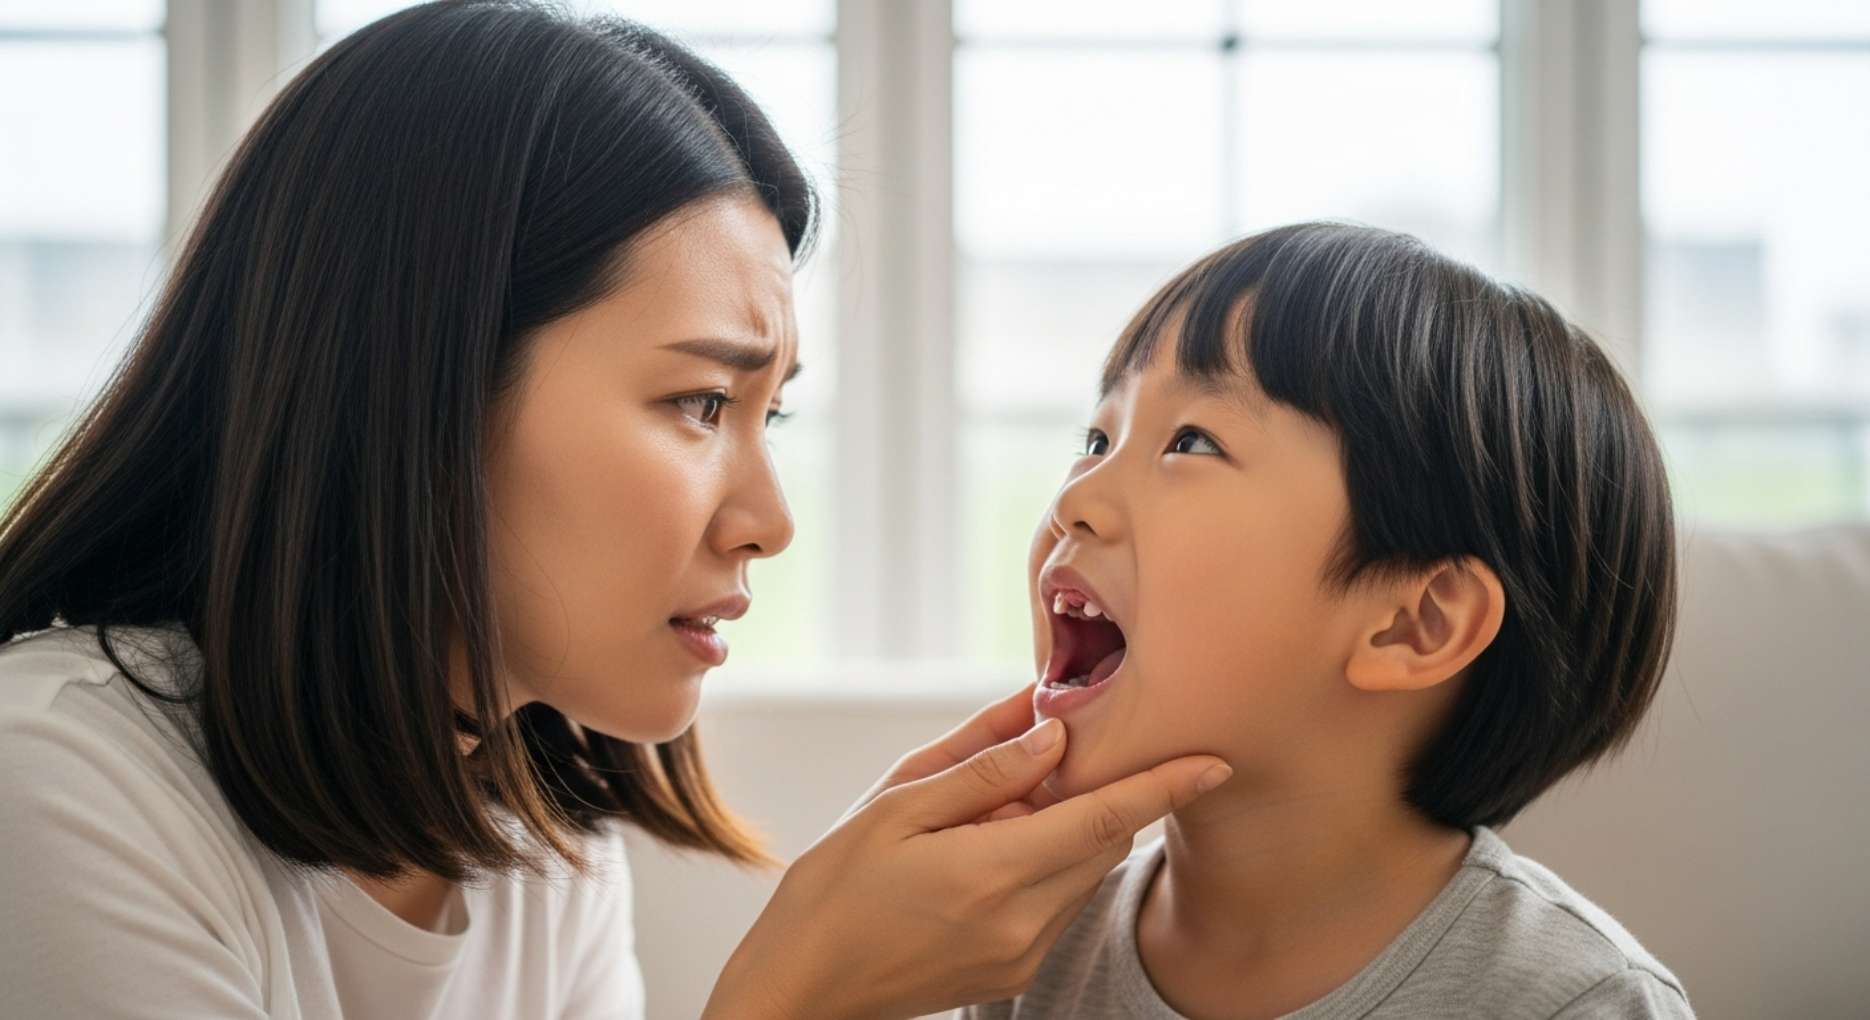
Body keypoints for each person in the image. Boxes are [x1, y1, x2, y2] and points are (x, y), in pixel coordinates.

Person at [0, 4, 1230, 1017]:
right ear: (417, 387)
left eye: (771, 415)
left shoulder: (536, 835)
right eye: (700, 404)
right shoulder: (52, 786)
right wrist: (796, 999)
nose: (768, 520)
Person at [962, 223, 1694, 1019]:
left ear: (1415, 624)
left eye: (1191, 441)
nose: (1074, 500)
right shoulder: (1026, 955)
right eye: (1098, 438)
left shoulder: (1578, 1004)